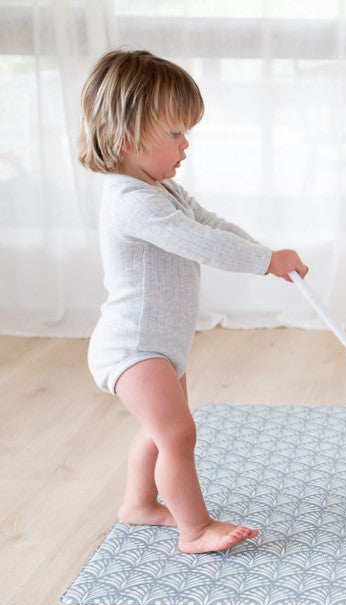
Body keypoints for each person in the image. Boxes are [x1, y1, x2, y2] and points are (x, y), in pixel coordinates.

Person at [79, 49, 308, 553]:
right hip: (133, 347)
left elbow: (212, 225)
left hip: (161, 343)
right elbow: (199, 243)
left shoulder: (162, 188)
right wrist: (263, 261)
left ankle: (139, 505)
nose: (187, 145)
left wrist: (267, 255)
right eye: (176, 133)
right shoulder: (131, 202)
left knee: (162, 429)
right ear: (129, 136)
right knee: (179, 434)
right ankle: (195, 528)